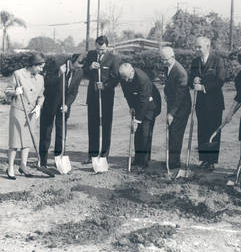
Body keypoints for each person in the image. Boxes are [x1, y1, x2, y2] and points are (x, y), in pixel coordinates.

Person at [39, 53, 85, 167]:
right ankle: (42, 160)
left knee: (61, 133)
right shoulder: (56, 65)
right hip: (50, 104)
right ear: (72, 60)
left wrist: (67, 104)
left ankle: (58, 159)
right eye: (78, 64)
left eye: (82, 66)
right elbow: (46, 82)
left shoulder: (80, 72)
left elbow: (74, 92)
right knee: (46, 133)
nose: (80, 68)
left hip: (64, 107)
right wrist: (59, 74)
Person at [5, 53, 45, 179]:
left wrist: (39, 106)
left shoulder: (40, 78)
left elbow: (41, 96)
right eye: (40, 67)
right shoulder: (18, 74)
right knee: (15, 141)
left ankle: (23, 165)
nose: (41, 70)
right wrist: (15, 92)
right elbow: (7, 91)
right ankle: (10, 167)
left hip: (31, 112)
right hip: (18, 110)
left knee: (27, 140)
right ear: (33, 65)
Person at [189, 36, 226, 171]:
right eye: (196, 47)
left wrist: (204, 88)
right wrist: (194, 81)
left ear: (208, 46)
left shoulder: (218, 61)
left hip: (214, 103)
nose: (197, 49)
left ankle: (211, 161)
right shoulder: (195, 61)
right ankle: (204, 159)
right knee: (202, 131)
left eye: (199, 47)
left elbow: (220, 80)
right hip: (201, 104)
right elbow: (189, 80)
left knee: (213, 132)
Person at [83, 35, 120, 163]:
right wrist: (89, 67)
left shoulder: (113, 58)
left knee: (105, 125)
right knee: (92, 125)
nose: (100, 52)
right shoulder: (90, 55)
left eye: (103, 50)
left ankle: (104, 154)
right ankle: (92, 155)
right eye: (98, 50)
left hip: (105, 97)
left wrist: (104, 86)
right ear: (95, 47)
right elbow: (84, 73)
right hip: (92, 96)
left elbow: (115, 79)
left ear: (107, 47)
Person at [118, 63, 161, 168]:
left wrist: (137, 121)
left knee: (145, 132)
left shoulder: (143, 79)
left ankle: (144, 162)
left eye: (127, 78)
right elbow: (127, 94)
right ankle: (137, 159)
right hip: (138, 102)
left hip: (151, 104)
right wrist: (131, 107)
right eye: (124, 78)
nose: (126, 81)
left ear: (132, 72)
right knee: (137, 133)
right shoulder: (124, 77)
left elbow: (143, 101)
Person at [160, 47, 191, 170]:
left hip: (181, 108)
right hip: (172, 104)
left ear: (172, 57)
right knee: (171, 131)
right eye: (161, 60)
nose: (163, 62)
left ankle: (174, 163)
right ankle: (170, 159)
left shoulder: (180, 72)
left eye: (165, 60)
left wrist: (171, 113)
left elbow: (180, 96)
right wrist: (166, 93)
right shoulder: (167, 67)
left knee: (176, 134)